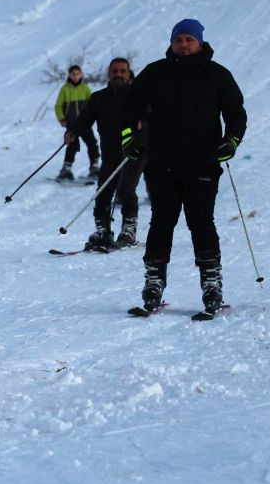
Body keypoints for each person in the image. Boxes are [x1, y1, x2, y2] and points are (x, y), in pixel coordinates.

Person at [119, 19, 247, 316]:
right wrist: (129, 137)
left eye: (189, 39)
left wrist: (232, 141)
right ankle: (153, 281)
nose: (184, 44)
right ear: (172, 42)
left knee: (201, 222)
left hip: (203, 162)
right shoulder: (155, 73)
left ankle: (211, 282)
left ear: (200, 43)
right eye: (179, 39)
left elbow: (236, 113)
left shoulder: (218, 75)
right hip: (161, 162)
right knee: (161, 222)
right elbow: (129, 108)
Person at [66, 57, 144, 250]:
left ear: (128, 74)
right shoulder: (99, 98)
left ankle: (128, 230)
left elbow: (152, 118)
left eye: (122, 71)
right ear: (108, 73)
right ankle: (103, 230)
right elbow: (85, 119)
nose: (118, 74)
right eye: (115, 71)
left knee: (126, 190)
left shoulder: (138, 97)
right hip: (110, 153)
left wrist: (143, 122)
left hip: (133, 153)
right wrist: (72, 132)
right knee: (102, 192)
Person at [54, 64, 98, 181]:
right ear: (69, 75)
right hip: (72, 123)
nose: (75, 76)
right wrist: (62, 119)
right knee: (72, 145)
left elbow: (93, 103)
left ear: (81, 74)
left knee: (92, 143)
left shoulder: (85, 88)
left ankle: (94, 167)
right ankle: (66, 169)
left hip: (85, 123)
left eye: (78, 74)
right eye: (73, 74)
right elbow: (58, 106)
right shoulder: (65, 89)